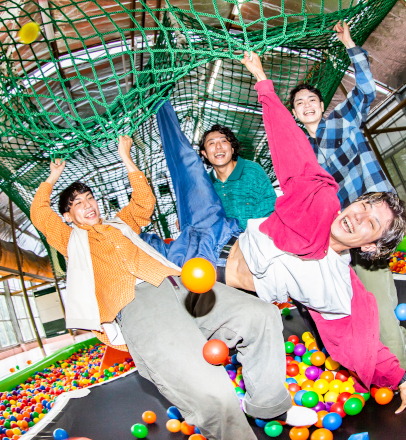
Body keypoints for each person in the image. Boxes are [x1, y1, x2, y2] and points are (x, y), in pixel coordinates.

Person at [143, 52, 406, 414]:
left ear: (372, 247)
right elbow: (293, 150)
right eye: (363, 206)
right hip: (221, 233)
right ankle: (158, 97)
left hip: (214, 278)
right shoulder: (322, 199)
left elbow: (359, 343)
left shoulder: (337, 289)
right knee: (188, 169)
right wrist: (263, 84)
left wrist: (402, 383)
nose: (358, 216)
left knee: (150, 258)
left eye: (371, 223)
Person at [30, 137, 316, 440]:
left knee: (260, 315)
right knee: (211, 390)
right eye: (77, 204)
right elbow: (39, 214)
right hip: (138, 303)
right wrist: (52, 178)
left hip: (178, 282)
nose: (87, 205)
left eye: (89, 198)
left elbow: (144, 202)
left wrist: (126, 158)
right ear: (67, 216)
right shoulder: (70, 240)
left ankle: (270, 406)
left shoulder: (120, 223)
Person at [289, 20, 406, 370]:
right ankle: (397, 337)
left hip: (371, 224)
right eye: (299, 103)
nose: (307, 105)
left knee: (378, 294)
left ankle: (399, 371)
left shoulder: (342, 121)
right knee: (358, 294)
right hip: (342, 235)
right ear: (295, 114)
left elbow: (366, 89)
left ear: (321, 104)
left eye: (312, 100)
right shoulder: (302, 154)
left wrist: (349, 44)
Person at [199, 124, 277, 230]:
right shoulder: (206, 185)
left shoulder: (252, 170)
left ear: (232, 149)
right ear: (205, 153)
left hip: (257, 236)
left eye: (223, 141)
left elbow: (269, 207)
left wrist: (247, 236)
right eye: (211, 143)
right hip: (225, 239)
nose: (218, 147)